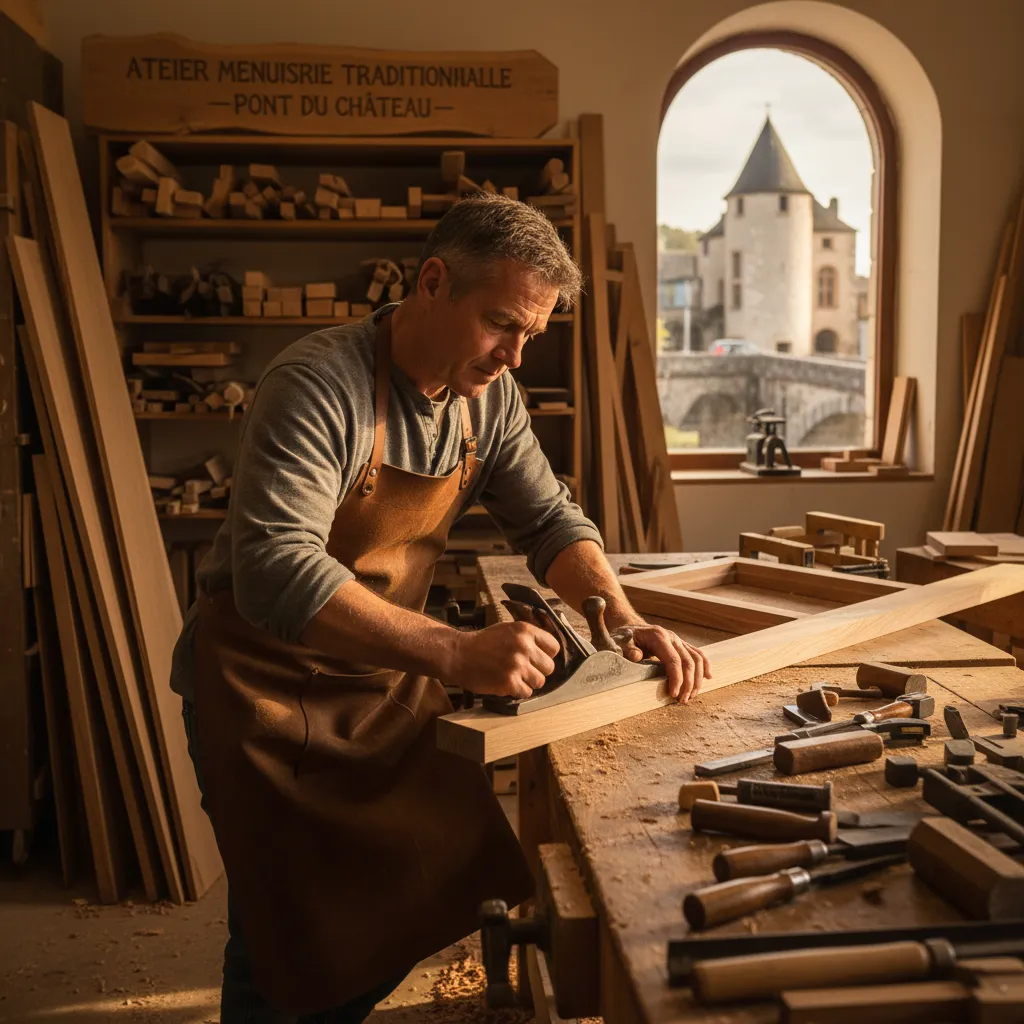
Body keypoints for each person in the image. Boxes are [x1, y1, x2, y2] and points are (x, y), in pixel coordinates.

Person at [170, 194, 711, 1023]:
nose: (515, 356)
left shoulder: (486, 399)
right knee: (284, 934)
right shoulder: (318, 384)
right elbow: (274, 570)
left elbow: (551, 521)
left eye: (532, 334)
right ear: (431, 282)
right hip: (261, 688)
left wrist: (622, 618)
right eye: (501, 324)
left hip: (377, 676)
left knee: (425, 879)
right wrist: (456, 654)